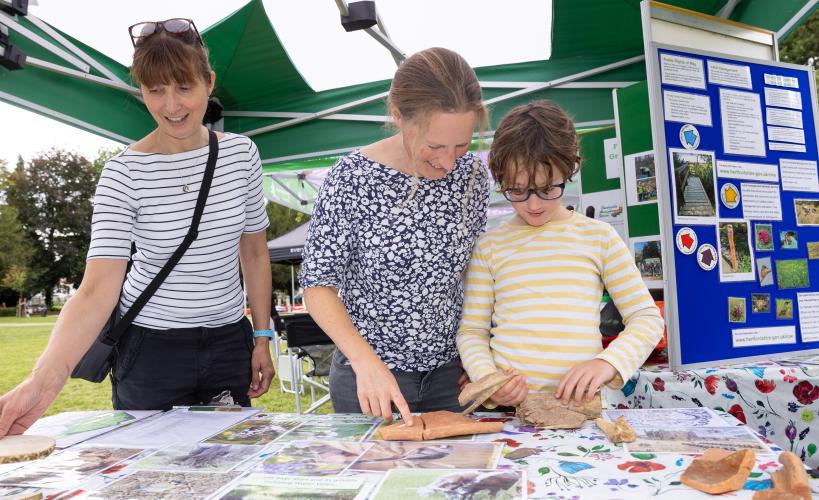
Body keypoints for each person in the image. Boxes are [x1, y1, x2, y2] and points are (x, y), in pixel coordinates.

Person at [0, 18, 274, 436]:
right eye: (155, 90)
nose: (171, 105)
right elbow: (96, 290)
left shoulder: (242, 155)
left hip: (227, 345)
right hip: (151, 351)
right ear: (141, 90)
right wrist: (42, 380)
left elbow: (253, 252)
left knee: (226, 468)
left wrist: (261, 336)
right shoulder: (122, 173)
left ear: (209, 81)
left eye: (184, 87)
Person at [300, 47, 490, 424]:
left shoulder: (472, 177)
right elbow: (318, 286)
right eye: (434, 146)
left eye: (462, 146)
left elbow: (475, 275)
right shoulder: (351, 177)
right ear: (398, 115)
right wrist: (365, 362)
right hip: (369, 378)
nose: (449, 162)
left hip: (452, 376)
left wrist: (480, 353)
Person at [456, 101, 664, 408]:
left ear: (569, 170)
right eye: (516, 190)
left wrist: (607, 363)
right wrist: (489, 381)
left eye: (547, 188)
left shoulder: (599, 237)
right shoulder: (490, 246)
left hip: (580, 409)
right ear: (500, 181)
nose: (533, 204)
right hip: (509, 411)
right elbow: (471, 331)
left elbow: (646, 319)